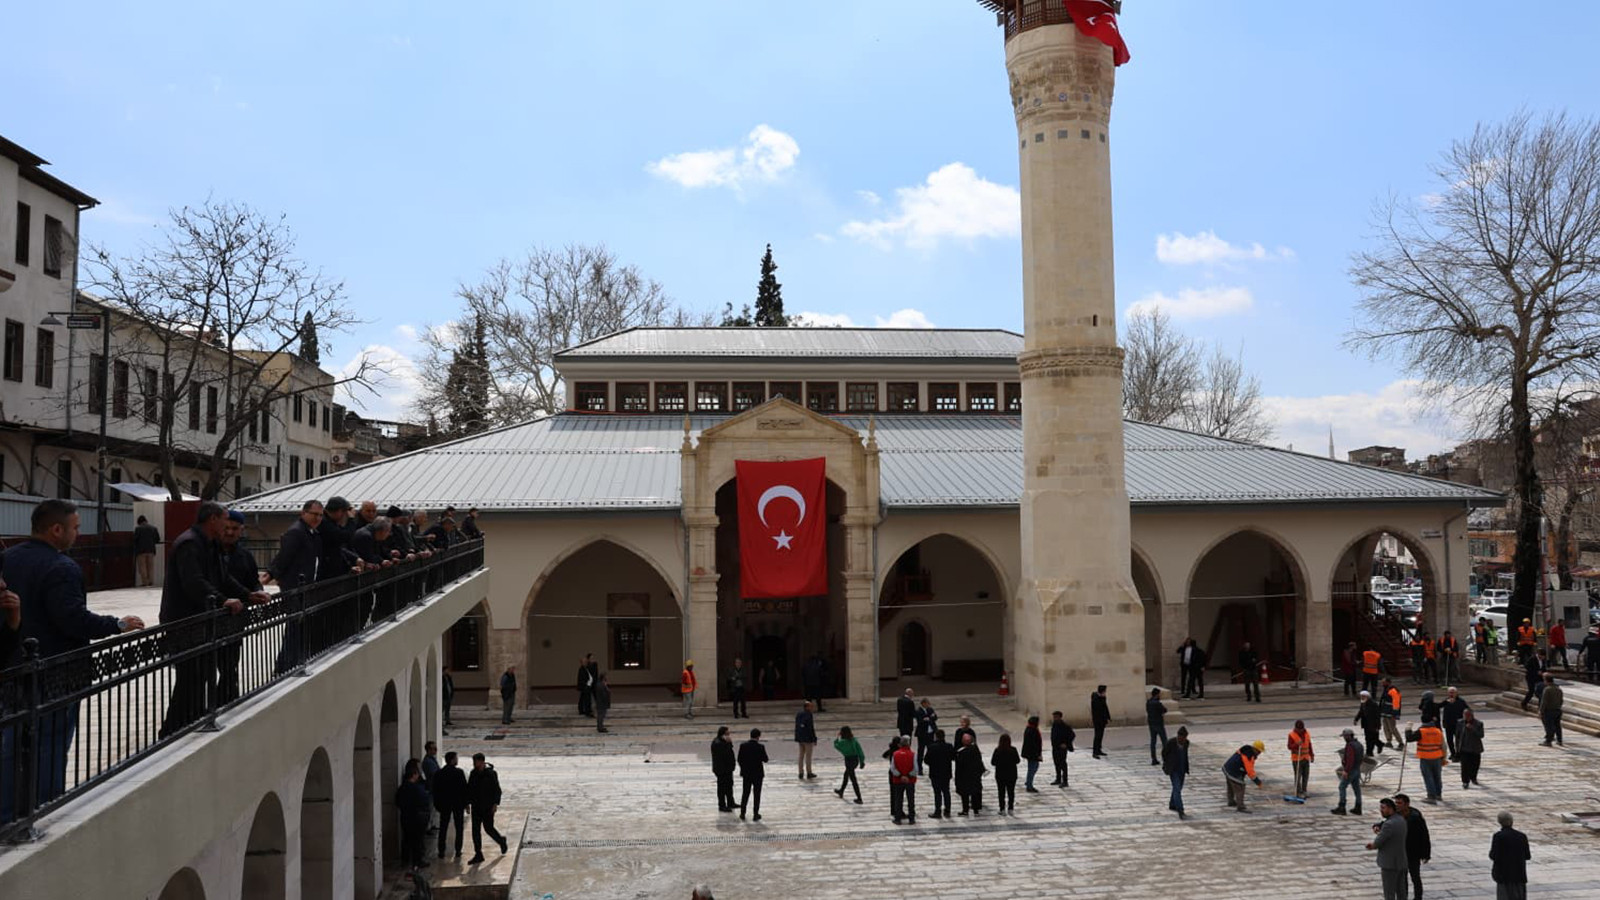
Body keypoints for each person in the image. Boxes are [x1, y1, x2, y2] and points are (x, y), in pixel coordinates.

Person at [0, 500, 145, 823]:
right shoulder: (62, 568)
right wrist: (116, 624)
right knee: (50, 744)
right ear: (56, 529)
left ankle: (8, 813)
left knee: (13, 743)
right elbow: (72, 619)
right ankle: (45, 808)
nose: (78, 534)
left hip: (13, 668)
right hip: (57, 673)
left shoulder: (7, 560)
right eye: (76, 527)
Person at [158, 502, 269, 738]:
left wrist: (247, 594)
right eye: (224, 520)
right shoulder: (189, 543)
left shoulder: (210, 544)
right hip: (186, 621)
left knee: (203, 674)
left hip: (203, 623)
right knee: (190, 676)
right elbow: (194, 582)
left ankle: (194, 719)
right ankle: (173, 729)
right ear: (212, 520)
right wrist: (222, 601)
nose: (227, 526)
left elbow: (223, 577)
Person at [218, 512, 261, 702]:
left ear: (241, 530)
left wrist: (258, 593)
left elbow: (254, 582)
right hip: (212, 616)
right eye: (226, 528)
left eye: (234, 529)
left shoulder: (245, 555)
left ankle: (227, 700)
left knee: (230, 666)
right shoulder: (210, 552)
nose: (229, 532)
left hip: (235, 620)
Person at [466, 752, 508, 864]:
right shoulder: (473, 773)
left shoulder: (491, 773)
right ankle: (478, 853)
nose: (474, 764)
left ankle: (501, 841)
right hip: (476, 807)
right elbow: (469, 789)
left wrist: (495, 804)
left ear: (482, 761)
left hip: (488, 807)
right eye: (473, 761)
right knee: (475, 831)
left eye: (476, 761)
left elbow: (497, 790)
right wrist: (467, 803)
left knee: (488, 828)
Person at [1367, 797, 1409, 900]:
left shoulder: (1388, 824)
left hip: (1389, 864)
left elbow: (1377, 843)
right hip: (1401, 861)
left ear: (1390, 809)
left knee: (1389, 893)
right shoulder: (1401, 819)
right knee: (1401, 891)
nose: (1381, 810)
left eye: (1383, 808)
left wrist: (1371, 845)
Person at [395, 758, 432, 870]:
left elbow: (397, 802)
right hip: (416, 818)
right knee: (417, 841)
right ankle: (417, 861)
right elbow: (424, 800)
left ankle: (405, 860)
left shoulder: (402, 788)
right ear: (414, 774)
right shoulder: (416, 788)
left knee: (407, 839)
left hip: (406, 817)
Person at [1394, 793, 1431, 900]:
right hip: (1400, 853)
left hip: (1413, 854)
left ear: (1407, 804)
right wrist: (1377, 825)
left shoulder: (1416, 817)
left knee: (1415, 877)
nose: (1397, 805)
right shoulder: (1395, 815)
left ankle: (1418, 897)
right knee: (1402, 878)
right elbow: (1386, 823)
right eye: (1396, 803)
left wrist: (1426, 854)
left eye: (1399, 803)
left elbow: (1424, 836)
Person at [433, 750, 469, 859]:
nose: (457, 760)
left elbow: (435, 790)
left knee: (443, 827)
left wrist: (437, 804)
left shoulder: (439, 773)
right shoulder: (459, 772)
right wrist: (466, 804)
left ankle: (441, 851)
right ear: (453, 760)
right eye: (456, 758)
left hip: (444, 804)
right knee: (459, 828)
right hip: (457, 804)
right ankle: (458, 850)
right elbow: (464, 789)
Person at [1489, 810, 1531, 900]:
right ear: (1512, 821)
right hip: (1519, 875)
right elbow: (1528, 856)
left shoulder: (1498, 836)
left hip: (1504, 876)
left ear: (1499, 822)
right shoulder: (1522, 836)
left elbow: (1493, 855)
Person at [1222, 741, 1263, 813]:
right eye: (1259, 751)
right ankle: (1240, 807)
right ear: (1255, 749)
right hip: (1233, 771)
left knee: (1231, 785)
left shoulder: (1246, 750)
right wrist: (1257, 781)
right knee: (1240, 787)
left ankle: (1231, 801)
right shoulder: (1248, 756)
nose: (1260, 753)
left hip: (1227, 768)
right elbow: (1250, 771)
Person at [1331, 728, 1364, 816]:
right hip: (1357, 769)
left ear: (1348, 736)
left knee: (1342, 787)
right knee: (1357, 788)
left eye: (1345, 736)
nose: (1344, 738)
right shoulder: (1359, 744)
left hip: (1351, 770)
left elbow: (1350, 760)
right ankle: (1358, 807)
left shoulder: (1350, 746)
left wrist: (1346, 771)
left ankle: (1342, 807)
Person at [737, 728, 767, 821]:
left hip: (747, 774)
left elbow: (739, 759)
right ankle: (755, 813)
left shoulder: (743, 746)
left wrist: (743, 768)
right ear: (758, 736)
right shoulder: (760, 747)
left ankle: (742, 813)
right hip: (758, 774)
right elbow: (765, 759)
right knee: (757, 794)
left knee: (745, 793)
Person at [924, 729, 955, 818]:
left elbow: (926, 760)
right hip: (946, 773)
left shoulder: (932, 747)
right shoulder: (949, 746)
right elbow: (953, 757)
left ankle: (938, 811)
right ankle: (947, 811)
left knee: (937, 793)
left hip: (935, 773)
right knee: (946, 791)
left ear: (936, 736)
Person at [954, 731, 986, 816]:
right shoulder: (975, 750)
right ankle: (976, 809)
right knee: (975, 792)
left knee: (965, 794)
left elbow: (959, 765)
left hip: (964, 777)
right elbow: (979, 761)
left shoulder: (961, 752)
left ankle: (965, 810)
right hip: (975, 776)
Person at [1161, 726, 1190, 819]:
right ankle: (1180, 809)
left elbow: (1185, 756)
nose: (1182, 739)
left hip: (1182, 769)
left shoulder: (1186, 743)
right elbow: (1164, 753)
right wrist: (1168, 763)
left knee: (1178, 787)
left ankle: (1172, 803)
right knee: (1177, 788)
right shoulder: (1171, 743)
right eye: (1180, 737)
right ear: (1178, 736)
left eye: (1184, 738)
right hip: (1173, 770)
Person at [1414, 717, 1446, 802]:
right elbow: (1444, 745)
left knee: (1428, 777)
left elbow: (1409, 738)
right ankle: (1438, 794)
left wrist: (1408, 729)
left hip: (1425, 757)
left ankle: (1431, 796)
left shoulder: (1421, 731)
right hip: (1437, 757)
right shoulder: (1438, 731)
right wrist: (1444, 757)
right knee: (1437, 777)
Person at [832, 725, 865, 804]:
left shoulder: (842, 742)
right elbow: (860, 751)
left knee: (853, 779)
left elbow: (836, 745)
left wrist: (837, 737)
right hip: (855, 760)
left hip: (848, 760)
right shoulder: (854, 740)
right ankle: (841, 791)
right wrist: (862, 761)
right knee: (846, 775)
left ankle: (859, 798)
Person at [889, 735, 918, 824]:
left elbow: (892, 768)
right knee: (910, 799)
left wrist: (900, 776)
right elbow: (916, 769)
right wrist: (908, 776)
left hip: (898, 780)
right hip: (910, 780)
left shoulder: (895, 754)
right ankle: (911, 818)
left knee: (898, 799)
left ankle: (898, 818)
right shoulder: (913, 754)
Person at [990, 733, 1020, 815]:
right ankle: (1010, 808)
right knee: (1011, 792)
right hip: (1012, 774)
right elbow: (1018, 761)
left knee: (1001, 792)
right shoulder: (1013, 750)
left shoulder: (997, 750)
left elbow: (993, 762)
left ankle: (1002, 808)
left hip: (1000, 775)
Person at [1456, 708, 1485, 788]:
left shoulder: (1479, 723)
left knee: (1475, 765)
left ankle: (1473, 777)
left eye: (1468, 715)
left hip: (1475, 748)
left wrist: (1472, 729)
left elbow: (1481, 735)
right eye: (1465, 715)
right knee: (1464, 766)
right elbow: (1457, 736)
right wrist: (1457, 748)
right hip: (1464, 748)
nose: (1466, 717)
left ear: (1472, 715)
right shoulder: (1460, 723)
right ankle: (1465, 781)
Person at [1287, 719, 1314, 799]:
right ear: (1296, 728)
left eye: (1301, 729)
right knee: (1298, 776)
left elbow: (1309, 745)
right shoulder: (1291, 735)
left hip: (1306, 758)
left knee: (1306, 775)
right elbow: (1289, 746)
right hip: (1297, 759)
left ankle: (1304, 790)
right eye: (1298, 729)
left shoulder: (1307, 734)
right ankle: (1298, 791)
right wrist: (1296, 744)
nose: (1300, 731)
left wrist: (1311, 755)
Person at [712, 726, 737, 812]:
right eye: (727, 734)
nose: (729, 735)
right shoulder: (718, 743)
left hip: (728, 769)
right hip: (722, 769)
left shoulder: (723, 742)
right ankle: (722, 805)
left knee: (729, 786)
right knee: (722, 788)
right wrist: (728, 743)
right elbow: (724, 754)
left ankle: (731, 802)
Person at [1439, 687, 1468, 760]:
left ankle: (1458, 754)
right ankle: (1453, 753)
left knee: (1458, 740)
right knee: (1449, 740)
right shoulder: (1446, 701)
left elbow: (1467, 711)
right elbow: (1442, 710)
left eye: (1453, 692)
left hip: (1458, 724)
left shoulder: (1461, 701)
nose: (1451, 694)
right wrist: (1443, 722)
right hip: (1448, 724)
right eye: (1450, 692)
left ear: (1456, 693)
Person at [132, 515, 161, 586]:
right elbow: (157, 539)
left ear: (139, 522)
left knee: (142, 567)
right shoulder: (153, 528)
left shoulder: (138, 529)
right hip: (151, 550)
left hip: (141, 551)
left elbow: (135, 540)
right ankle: (151, 581)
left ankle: (145, 582)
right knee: (150, 567)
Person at [1049, 710, 1075, 787]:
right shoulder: (1054, 725)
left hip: (1061, 749)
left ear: (1060, 717)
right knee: (1056, 763)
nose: (1054, 718)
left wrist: (1066, 744)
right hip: (1055, 747)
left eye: (1056, 717)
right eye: (1054, 717)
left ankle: (1065, 781)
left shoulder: (1065, 726)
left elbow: (1072, 735)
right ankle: (1058, 778)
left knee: (1062, 764)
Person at [1537, 673, 1564, 747]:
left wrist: (1541, 711)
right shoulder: (1559, 689)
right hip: (1557, 710)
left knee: (1549, 726)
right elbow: (1561, 700)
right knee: (1557, 726)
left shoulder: (1547, 689)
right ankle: (1559, 740)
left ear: (1546, 680)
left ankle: (1548, 741)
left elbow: (1544, 701)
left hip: (1549, 710)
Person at [1355, 690, 1383, 758]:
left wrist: (1378, 726)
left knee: (1373, 739)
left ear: (1367, 697)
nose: (1362, 697)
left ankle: (1370, 752)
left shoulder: (1373, 704)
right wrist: (1356, 719)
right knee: (1368, 738)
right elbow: (1361, 712)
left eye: (1363, 696)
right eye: (1361, 696)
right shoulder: (1363, 703)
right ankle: (1371, 750)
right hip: (1366, 724)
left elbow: (1377, 716)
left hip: (1373, 724)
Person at [794, 701, 818, 779]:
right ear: (807, 707)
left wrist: (797, 737)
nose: (812, 708)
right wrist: (814, 738)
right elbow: (810, 728)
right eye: (811, 706)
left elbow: (797, 726)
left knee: (801, 755)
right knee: (808, 756)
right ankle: (809, 772)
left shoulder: (799, 714)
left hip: (800, 738)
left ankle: (800, 772)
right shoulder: (809, 715)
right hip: (808, 739)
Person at [1020, 715, 1043, 792]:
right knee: (1032, 769)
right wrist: (1038, 754)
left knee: (1034, 767)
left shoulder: (1031, 729)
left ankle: (1028, 782)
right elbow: (1033, 744)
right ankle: (1029, 785)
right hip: (1032, 753)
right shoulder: (1031, 730)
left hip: (1032, 753)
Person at [915, 698, 937, 775]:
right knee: (921, 751)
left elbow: (935, 717)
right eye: (927, 703)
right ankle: (920, 768)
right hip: (922, 734)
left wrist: (929, 718)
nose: (929, 705)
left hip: (930, 733)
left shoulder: (930, 709)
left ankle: (932, 767)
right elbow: (920, 721)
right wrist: (929, 718)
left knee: (931, 750)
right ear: (923, 703)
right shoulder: (918, 711)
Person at [1146, 688, 1168, 767]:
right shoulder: (1157, 703)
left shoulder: (1148, 702)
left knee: (1153, 741)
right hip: (1159, 723)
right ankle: (1166, 758)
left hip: (1151, 723)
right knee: (1164, 741)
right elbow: (1164, 710)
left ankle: (1153, 758)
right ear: (1157, 694)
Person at [1381, 679, 1404, 750]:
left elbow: (1396, 702)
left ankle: (1400, 742)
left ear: (1388, 682)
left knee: (1392, 728)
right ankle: (1389, 741)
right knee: (1386, 727)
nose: (1382, 684)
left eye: (1384, 682)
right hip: (1385, 711)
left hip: (1391, 712)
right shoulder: (1387, 690)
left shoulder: (1393, 691)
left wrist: (1395, 713)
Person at [1090, 684, 1110, 758]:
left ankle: (1099, 750)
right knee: (1097, 736)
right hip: (1097, 721)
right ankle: (1095, 752)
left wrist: (1108, 717)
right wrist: (1101, 698)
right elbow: (1097, 709)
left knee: (1100, 735)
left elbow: (1105, 707)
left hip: (1102, 720)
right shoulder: (1096, 698)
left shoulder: (1102, 697)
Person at [576, 653, 595, 717]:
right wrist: (586, 685)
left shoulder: (586, 668)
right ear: (582, 663)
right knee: (586, 699)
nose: (586, 662)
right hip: (585, 687)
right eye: (585, 662)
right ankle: (587, 712)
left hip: (587, 686)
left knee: (583, 698)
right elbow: (582, 679)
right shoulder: (581, 669)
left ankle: (582, 710)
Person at [442, 665, 455, 733]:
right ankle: (441, 722)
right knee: (443, 709)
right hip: (444, 696)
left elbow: (451, 685)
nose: (448, 671)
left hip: (449, 695)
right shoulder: (441, 678)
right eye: (447, 670)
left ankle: (447, 720)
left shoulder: (448, 677)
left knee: (447, 709)